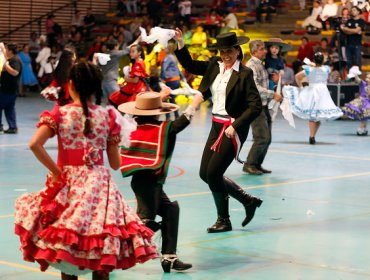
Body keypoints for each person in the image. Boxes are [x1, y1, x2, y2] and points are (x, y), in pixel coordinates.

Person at [14, 62, 157, 280]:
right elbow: (116, 163)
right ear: (96, 87)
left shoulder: (60, 114)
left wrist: (56, 172)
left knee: (67, 244)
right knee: (101, 243)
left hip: (69, 185)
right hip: (99, 186)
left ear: (70, 84)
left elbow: (35, 144)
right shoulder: (108, 117)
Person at [174, 30, 263, 233]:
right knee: (205, 173)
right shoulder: (215, 66)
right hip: (216, 125)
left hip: (233, 128)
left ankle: (224, 219)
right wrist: (180, 42)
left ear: (237, 51)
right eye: (222, 51)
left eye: (229, 51)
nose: (226, 55)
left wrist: (236, 125)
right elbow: (190, 65)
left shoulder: (245, 74)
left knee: (214, 173)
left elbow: (255, 106)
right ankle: (247, 200)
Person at [118, 91, 203, 272]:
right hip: (148, 183)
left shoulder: (134, 126)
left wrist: (158, 100)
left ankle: (169, 257)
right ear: (157, 112)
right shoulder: (161, 129)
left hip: (146, 182)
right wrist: (195, 104)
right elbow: (180, 123)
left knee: (171, 210)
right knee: (145, 224)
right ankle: (112, 253)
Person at [282, 52, 343, 144]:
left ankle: (312, 136)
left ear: (314, 60)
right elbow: (325, 69)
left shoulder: (308, 69)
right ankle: (312, 136)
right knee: (317, 116)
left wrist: (300, 87)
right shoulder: (327, 69)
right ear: (322, 60)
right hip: (323, 92)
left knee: (313, 115)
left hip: (311, 90)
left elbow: (297, 76)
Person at [243, 39, 282, 175]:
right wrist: (273, 94)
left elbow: (263, 83)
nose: (265, 51)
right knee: (262, 137)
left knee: (267, 137)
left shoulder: (261, 64)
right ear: (254, 51)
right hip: (255, 106)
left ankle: (257, 164)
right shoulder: (252, 66)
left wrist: (274, 80)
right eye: (262, 49)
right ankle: (249, 164)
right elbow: (255, 87)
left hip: (263, 105)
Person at [0, 42, 22, 134]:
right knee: (9, 108)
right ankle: (12, 127)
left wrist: (6, 66)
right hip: (10, 89)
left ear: (10, 51)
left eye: (6, 49)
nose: (5, 51)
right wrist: (2, 47)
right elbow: (5, 55)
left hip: (8, 89)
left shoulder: (15, 60)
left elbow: (15, 72)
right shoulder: (12, 58)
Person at [342, 70, 370, 136]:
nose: (367, 79)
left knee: (365, 117)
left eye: (369, 78)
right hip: (361, 102)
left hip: (368, 104)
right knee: (363, 117)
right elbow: (357, 79)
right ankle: (361, 129)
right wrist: (355, 74)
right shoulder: (363, 83)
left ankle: (363, 129)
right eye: (367, 77)